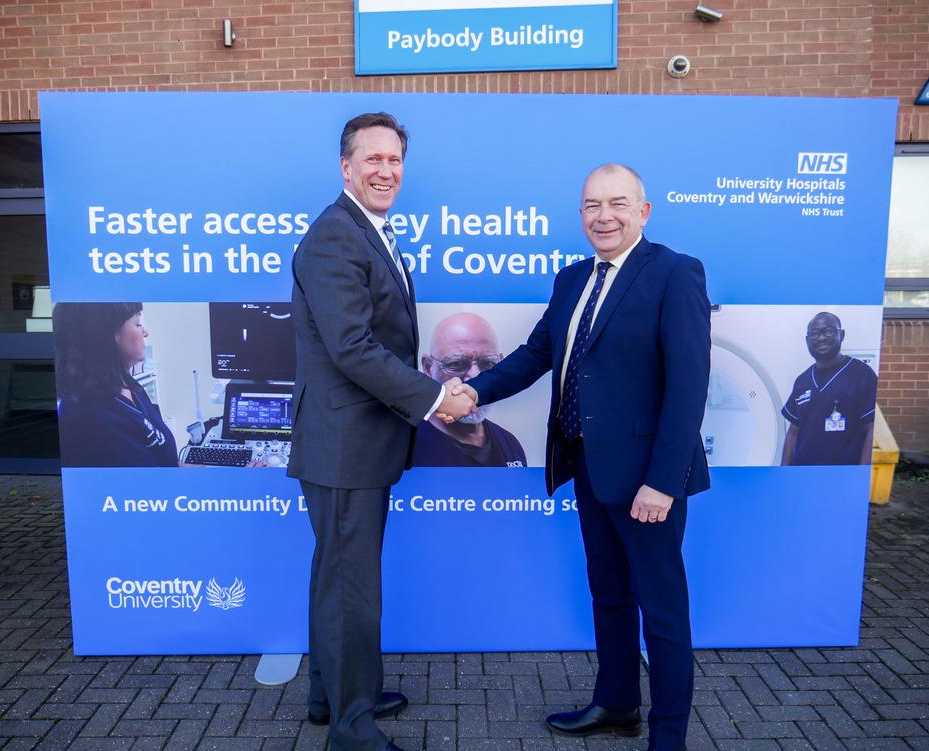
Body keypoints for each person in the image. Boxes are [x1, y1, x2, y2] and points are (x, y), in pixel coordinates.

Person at [451, 164, 710, 751]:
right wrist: (472, 391)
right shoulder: (573, 279)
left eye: (618, 203)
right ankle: (618, 705)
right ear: (581, 214)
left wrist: (663, 482)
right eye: (592, 205)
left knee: (662, 612)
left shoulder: (674, 273)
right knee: (609, 593)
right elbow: (536, 352)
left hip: (648, 479)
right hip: (587, 465)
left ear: (645, 211)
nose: (604, 215)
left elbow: (689, 387)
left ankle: (669, 737)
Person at [287, 112, 474, 751]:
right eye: (372, 160)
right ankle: (352, 728)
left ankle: (333, 696)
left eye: (394, 160)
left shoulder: (368, 232)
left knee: (339, 576)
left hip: (356, 439)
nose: (385, 171)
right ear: (346, 167)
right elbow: (352, 347)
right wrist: (434, 397)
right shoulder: (337, 236)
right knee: (350, 587)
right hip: (344, 444)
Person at [54, 302, 179, 468]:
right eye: (137, 324)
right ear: (108, 334)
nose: (145, 332)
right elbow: (147, 487)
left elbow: (166, 464)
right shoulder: (92, 418)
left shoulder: (127, 384)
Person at [414, 312, 527, 467]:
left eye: (487, 363)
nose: (475, 376)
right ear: (428, 367)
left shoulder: (510, 444)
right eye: (456, 364)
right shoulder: (405, 445)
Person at [781, 312, 877, 466]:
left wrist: (861, 474)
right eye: (814, 334)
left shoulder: (862, 374)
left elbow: (872, 429)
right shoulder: (802, 381)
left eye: (829, 331)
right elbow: (793, 432)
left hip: (843, 475)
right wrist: (783, 472)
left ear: (842, 335)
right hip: (803, 475)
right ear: (807, 340)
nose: (821, 337)